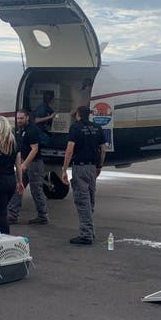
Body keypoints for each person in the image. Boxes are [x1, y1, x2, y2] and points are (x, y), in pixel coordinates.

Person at [62, 105, 106, 245]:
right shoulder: (97, 128)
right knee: (90, 199)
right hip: (92, 166)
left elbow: (69, 150)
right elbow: (103, 149)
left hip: (80, 167)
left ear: (78, 115)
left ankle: (86, 234)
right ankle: (90, 230)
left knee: (82, 200)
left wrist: (64, 169)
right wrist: (99, 165)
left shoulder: (75, 128)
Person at [7, 109, 49, 225]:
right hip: (24, 162)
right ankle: (12, 215)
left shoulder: (32, 130)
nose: (19, 120)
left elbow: (34, 149)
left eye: (21, 118)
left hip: (34, 163)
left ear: (27, 118)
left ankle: (43, 215)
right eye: (18, 118)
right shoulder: (20, 130)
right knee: (17, 187)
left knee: (36, 190)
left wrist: (25, 164)